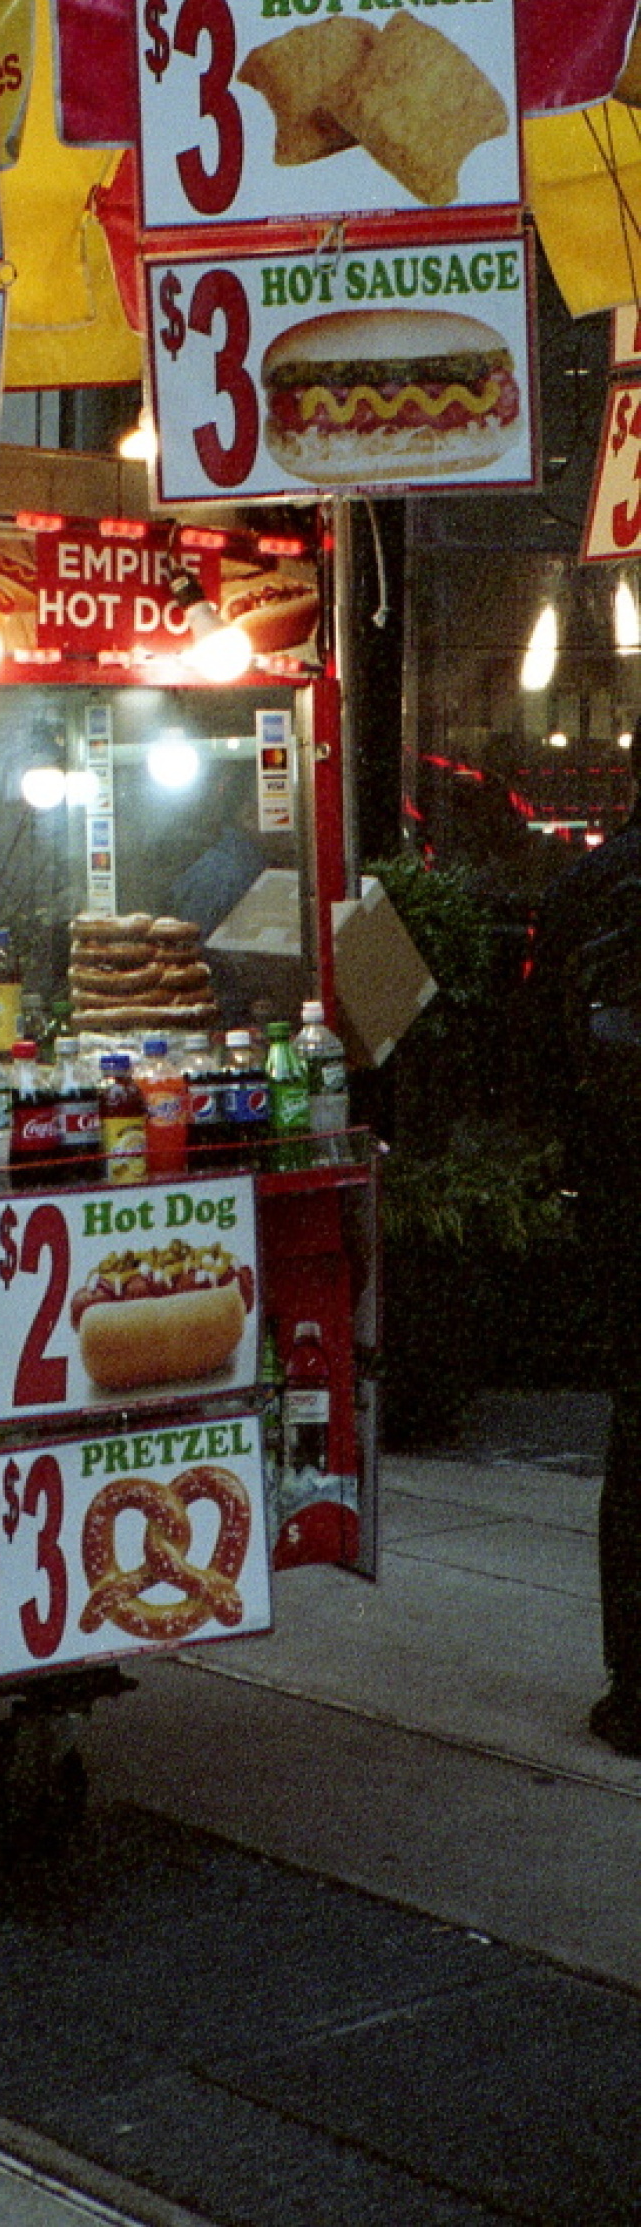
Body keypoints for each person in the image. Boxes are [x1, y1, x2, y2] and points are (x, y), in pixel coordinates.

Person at [530, 741, 641, 1756]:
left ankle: (636, 1691)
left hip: (619, 1199)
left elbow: (528, 1057)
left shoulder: (582, 886)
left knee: (637, 1439)